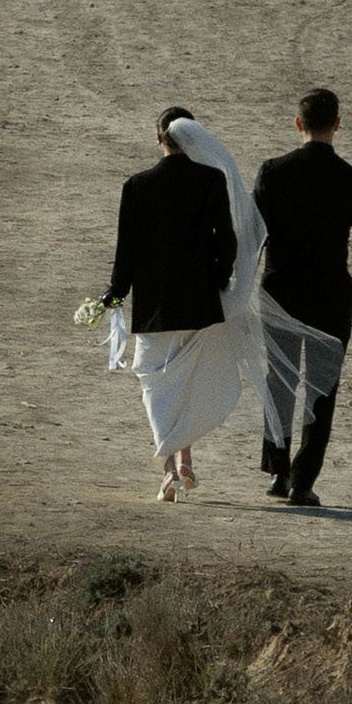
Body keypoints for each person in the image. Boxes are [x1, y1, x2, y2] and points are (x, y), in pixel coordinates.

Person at [98, 107, 266, 502]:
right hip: (200, 300)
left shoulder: (136, 185)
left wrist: (115, 293)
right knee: (188, 381)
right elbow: (227, 240)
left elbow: (127, 251)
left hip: (155, 303)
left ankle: (171, 469)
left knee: (156, 382)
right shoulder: (211, 179)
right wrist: (222, 281)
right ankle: (184, 462)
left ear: (158, 138)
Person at [253, 89, 352, 508]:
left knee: (280, 380)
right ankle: (302, 480)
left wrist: (236, 283)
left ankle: (277, 470)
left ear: (298, 124)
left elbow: (253, 234)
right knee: (322, 388)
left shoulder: (272, 172)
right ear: (337, 124)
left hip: (281, 291)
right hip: (330, 294)